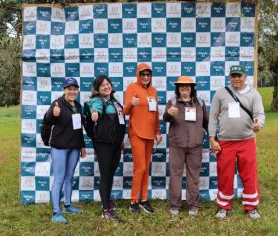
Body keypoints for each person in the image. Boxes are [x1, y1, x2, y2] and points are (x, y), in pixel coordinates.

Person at [208, 65, 265, 219]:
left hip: (246, 141)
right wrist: (212, 139)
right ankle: (223, 206)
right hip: (225, 142)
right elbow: (212, 117)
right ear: (230, 77)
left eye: (239, 76)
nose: (236, 79)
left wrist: (258, 124)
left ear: (245, 77)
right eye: (233, 76)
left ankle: (251, 206)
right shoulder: (221, 93)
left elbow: (259, 114)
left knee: (249, 174)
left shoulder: (254, 94)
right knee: (225, 175)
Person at [163, 76, 208, 216]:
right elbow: (166, 118)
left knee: (193, 175)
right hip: (177, 144)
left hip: (195, 145)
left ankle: (193, 204)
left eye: (187, 86)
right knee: (175, 175)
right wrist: (168, 113)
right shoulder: (172, 102)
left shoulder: (200, 102)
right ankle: (175, 205)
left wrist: (213, 138)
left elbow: (206, 122)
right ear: (178, 88)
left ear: (192, 88)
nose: (184, 88)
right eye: (181, 86)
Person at [44, 77, 86, 224]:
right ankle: (56, 212)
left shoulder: (78, 106)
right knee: (59, 179)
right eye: (69, 89)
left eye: (75, 89)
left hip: (74, 147)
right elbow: (47, 120)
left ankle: (67, 205)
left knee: (69, 177)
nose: (72, 91)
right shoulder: (57, 103)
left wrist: (82, 145)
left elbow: (79, 128)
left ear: (77, 91)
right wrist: (52, 114)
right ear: (64, 90)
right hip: (60, 147)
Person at [124, 63, 162, 214]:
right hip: (136, 133)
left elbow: (156, 113)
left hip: (150, 134)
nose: (145, 77)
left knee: (146, 168)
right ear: (138, 75)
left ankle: (144, 199)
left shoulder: (153, 91)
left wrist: (157, 131)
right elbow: (125, 111)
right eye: (142, 74)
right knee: (140, 168)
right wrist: (130, 104)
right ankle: (133, 201)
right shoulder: (132, 88)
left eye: (148, 74)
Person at [87, 75, 126, 222]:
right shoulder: (96, 101)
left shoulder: (114, 102)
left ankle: (108, 202)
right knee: (105, 175)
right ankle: (105, 210)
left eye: (108, 84)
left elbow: (119, 123)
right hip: (104, 144)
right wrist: (95, 114)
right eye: (102, 85)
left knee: (110, 173)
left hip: (116, 144)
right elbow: (95, 109)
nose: (106, 87)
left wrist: (121, 140)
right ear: (97, 89)